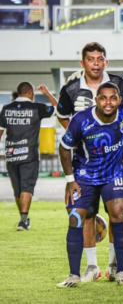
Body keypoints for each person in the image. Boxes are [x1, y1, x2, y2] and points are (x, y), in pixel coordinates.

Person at [56, 42, 123, 281]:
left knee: (116, 212)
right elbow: (62, 114)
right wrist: (81, 132)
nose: (96, 63)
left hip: (113, 163)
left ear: (105, 62)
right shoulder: (70, 89)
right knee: (83, 215)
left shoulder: (118, 83)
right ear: (83, 63)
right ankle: (90, 267)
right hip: (84, 164)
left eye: (100, 59)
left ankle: (115, 266)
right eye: (91, 59)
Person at [0, 82, 57, 231]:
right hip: (29, 155)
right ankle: (24, 220)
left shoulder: (6, 109)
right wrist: (47, 93)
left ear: (18, 93)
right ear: (31, 93)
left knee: (18, 190)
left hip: (11, 155)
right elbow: (59, 109)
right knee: (27, 187)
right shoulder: (37, 108)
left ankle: (23, 219)